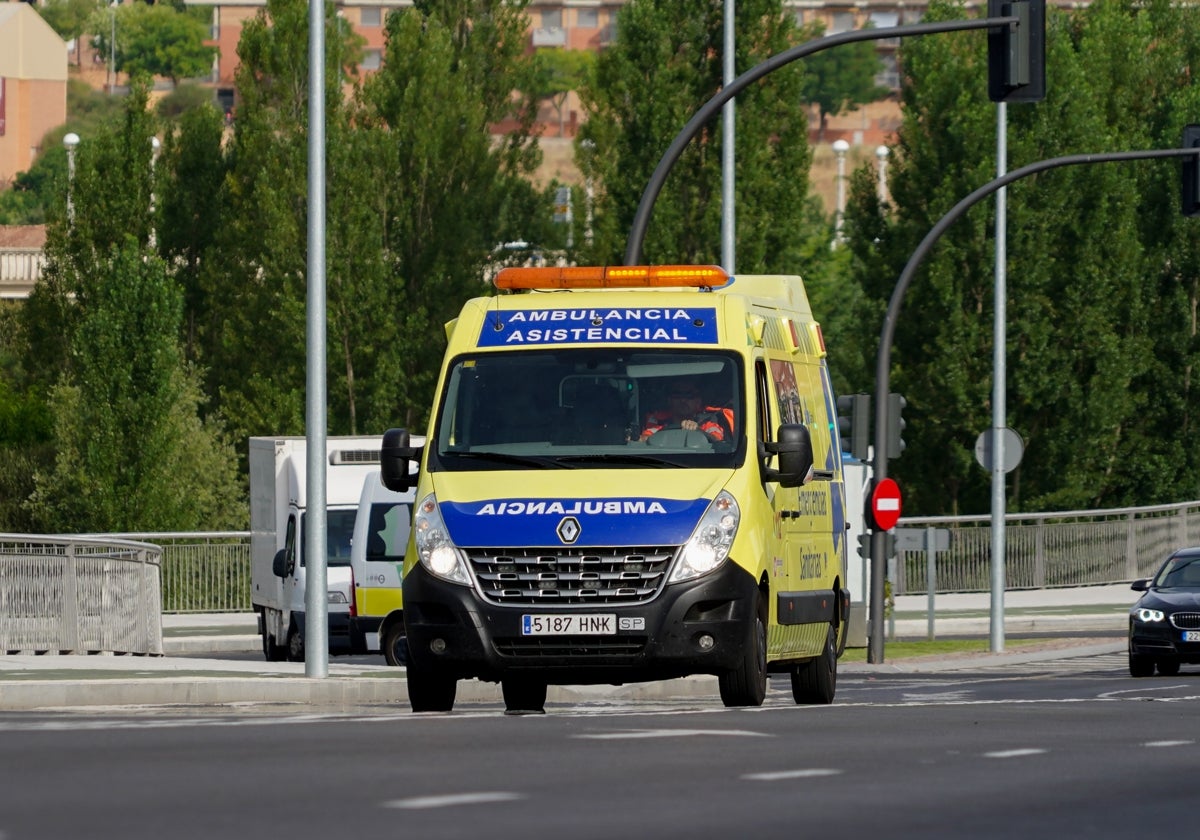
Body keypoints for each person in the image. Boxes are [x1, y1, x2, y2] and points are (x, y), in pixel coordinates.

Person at [640, 380, 734, 442]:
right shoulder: (659, 426)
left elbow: (717, 439)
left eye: (689, 396)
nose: (683, 400)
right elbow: (645, 438)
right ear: (670, 401)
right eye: (677, 395)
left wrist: (698, 430)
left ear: (698, 402)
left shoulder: (709, 425)